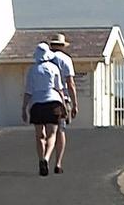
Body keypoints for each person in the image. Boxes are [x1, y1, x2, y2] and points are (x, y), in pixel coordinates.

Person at [21, 42, 71, 177]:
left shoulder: (32, 70)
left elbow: (28, 92)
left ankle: (41, 159)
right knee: (52, 134)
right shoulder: (54, 68)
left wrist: (24, 108)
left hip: (37, 104)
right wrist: (64, 106)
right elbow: (59, 89)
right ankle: (47, 158)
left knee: (39, 135)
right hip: (53, 102)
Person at [44, 33, 77, 173]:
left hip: (45, 97)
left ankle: (45, 157)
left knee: (47, 131)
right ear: (63, 46)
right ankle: (58, 163)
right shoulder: (66, 59)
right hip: (61, 99)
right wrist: (75, 103)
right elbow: (70, 83)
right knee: (60, 131)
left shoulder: (45, 59)